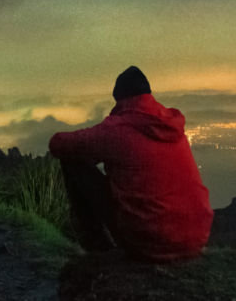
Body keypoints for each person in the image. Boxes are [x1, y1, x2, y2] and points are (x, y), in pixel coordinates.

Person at [48, 66, 212, 262]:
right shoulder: (169, 124)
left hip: (149, 243)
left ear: (119, 99)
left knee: (72, 159)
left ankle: (96, 248)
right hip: (196, 240)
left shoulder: (118, 129)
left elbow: (58, 144)